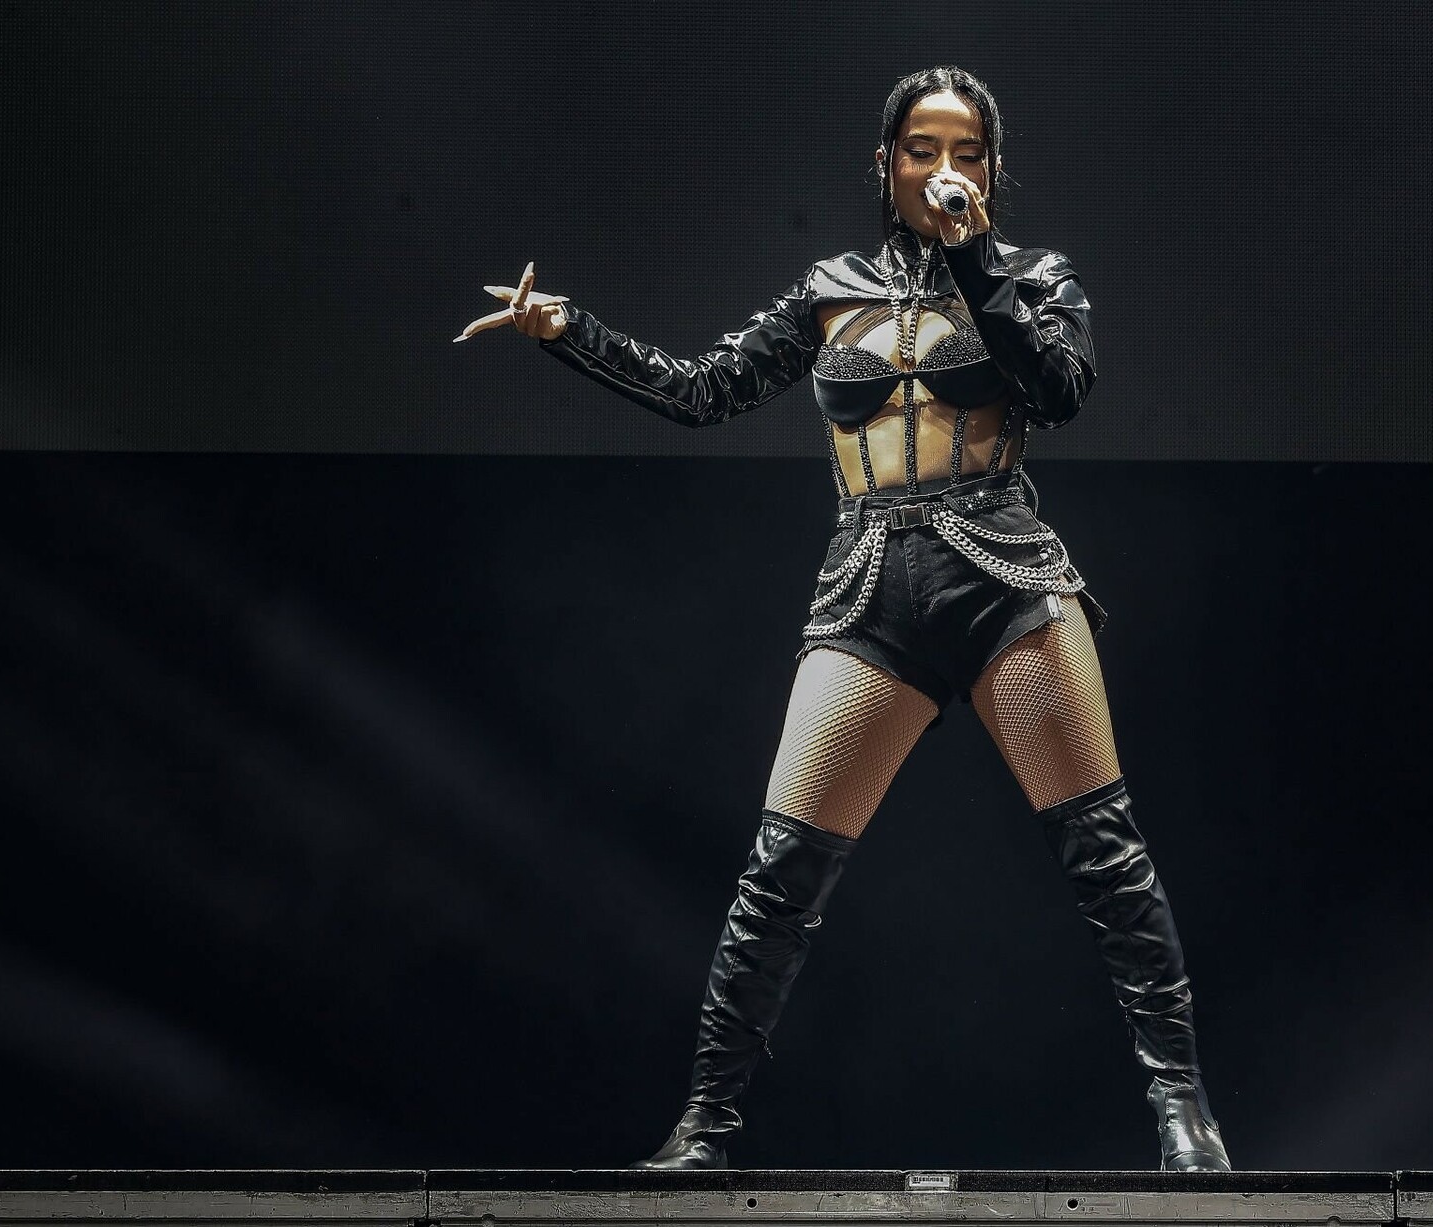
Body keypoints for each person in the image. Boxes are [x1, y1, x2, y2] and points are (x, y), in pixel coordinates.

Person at [456, 65, 1231, 1173]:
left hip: (1003, 570)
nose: (945, 169)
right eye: (923, 148)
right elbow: (703, 389)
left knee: (1103, 852)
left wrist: (975, 257)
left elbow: (1059, 391)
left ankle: (1184, 1112)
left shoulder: (1035, 275)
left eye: (967, 152)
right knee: (781, 871)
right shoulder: (831, 287)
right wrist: (568, 329)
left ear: (993, 170)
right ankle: (704, 1127)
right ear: (886, 163)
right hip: (872, 580)